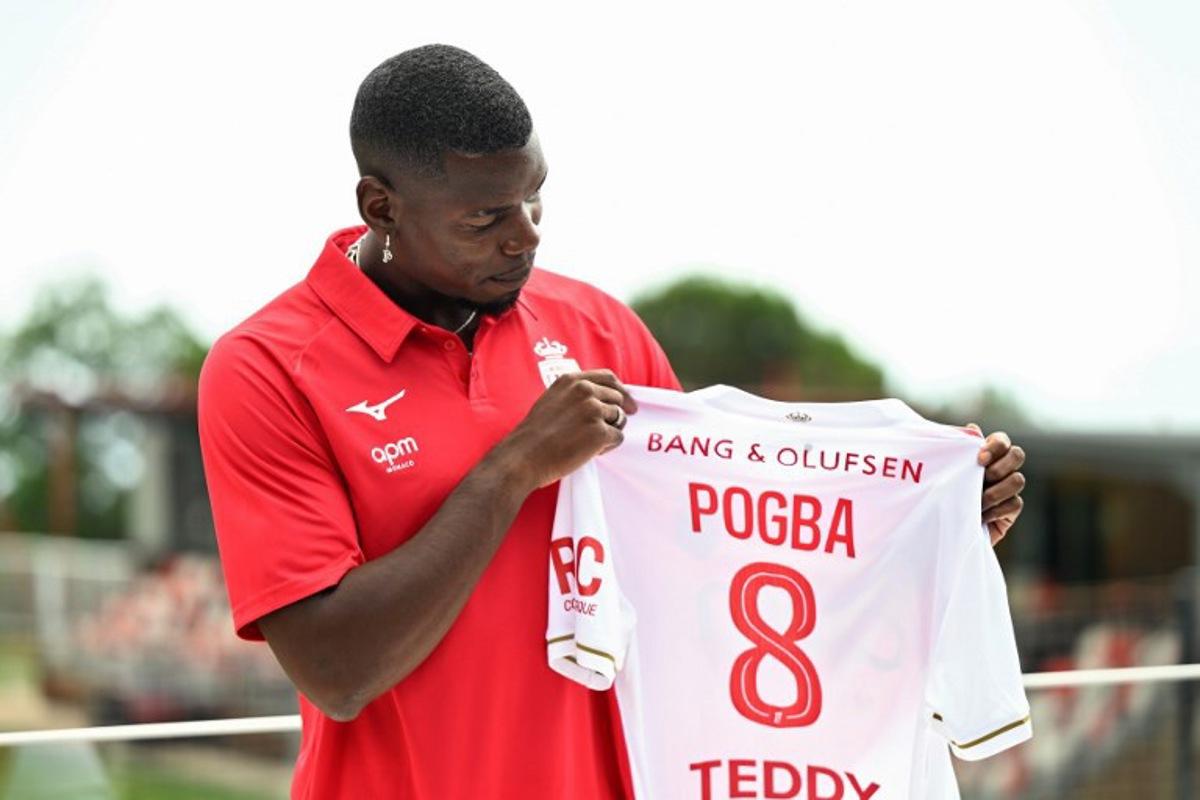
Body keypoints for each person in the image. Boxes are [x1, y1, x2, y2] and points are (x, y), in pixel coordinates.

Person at [197, 44, 1027, 799]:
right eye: (485, 218)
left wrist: (926, 522)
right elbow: (336, 669)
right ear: (381, 205)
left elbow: (727, 554)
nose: (524, 236)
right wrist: (514, 466)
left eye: (536, 198)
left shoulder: (598, 328)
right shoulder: (266, 368)